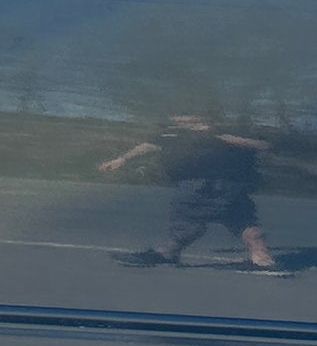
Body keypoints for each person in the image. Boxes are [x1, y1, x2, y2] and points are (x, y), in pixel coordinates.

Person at [101, 112, 279, 270]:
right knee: (241, 220)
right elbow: (149, 145)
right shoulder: (172, 133)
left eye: (184, 114)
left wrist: (216, 136)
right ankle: (262, 259)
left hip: (211, 184)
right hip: (200, 183)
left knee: (193, 219)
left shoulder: (222, 130)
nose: (177, 118)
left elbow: (262, 145)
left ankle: (168, 252)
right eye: (176, 115)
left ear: (200, 115)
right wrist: (122, 159)